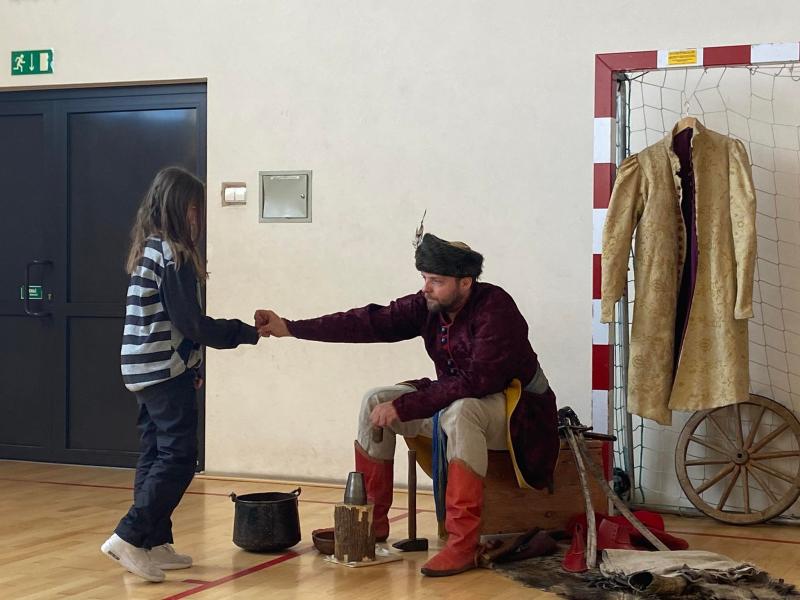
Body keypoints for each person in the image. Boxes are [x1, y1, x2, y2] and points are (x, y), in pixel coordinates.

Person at [255, 232, 558, 577]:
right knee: (376, 400)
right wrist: (290, 327)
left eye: (436, 281)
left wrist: (406, 407)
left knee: (462, 411)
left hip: (517, 415)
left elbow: (478, 381)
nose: (426, 288)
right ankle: (370, 524)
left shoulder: (496, 308)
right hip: (456, 401)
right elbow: (368, 322)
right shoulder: (428, 304)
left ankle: (463, 543)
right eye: (424, 278)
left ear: (466, 282)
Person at [101, 167, 260, 582]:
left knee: (155, 452)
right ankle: (130, 536)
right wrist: (245, 332)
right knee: (179, 457)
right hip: (162, 370)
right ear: (177, 208)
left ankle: (153, 541)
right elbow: (191, 323)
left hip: (144, 369)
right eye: (193, 208)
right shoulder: (173, 255)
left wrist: (194, 364)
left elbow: (172, 323)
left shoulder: (149, 249)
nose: (197, 217)